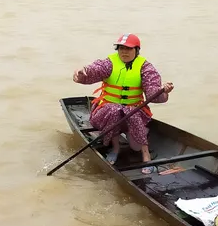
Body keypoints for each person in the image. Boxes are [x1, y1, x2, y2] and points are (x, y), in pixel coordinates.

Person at [72, 34, 174, 173]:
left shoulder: (146, 68)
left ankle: (146, 155)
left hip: (134, 113)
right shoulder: (109, 63)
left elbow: (153, 94)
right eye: (121, 48)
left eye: (128, 49)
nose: (124, 52)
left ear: (136, 50)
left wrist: (164, 91)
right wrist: (83, 73)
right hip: (105, 113)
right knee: (115, 110)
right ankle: (115, 148)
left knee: (131, 117)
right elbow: (95, 69)